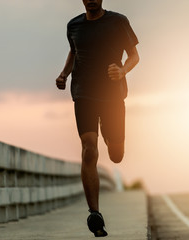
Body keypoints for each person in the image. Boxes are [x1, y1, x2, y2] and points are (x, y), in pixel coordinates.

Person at [55, 0, 139, 237]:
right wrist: (63, 74)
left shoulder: (118, 21)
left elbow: (134, 55)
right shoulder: (73, 25)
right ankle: (95, 213)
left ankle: (115, 140)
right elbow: (74, 51)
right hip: (83, 94)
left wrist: (123, 71)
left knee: (116, 155)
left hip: (112, 97)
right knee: (89, 149)